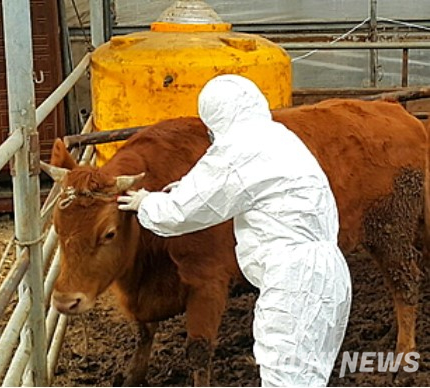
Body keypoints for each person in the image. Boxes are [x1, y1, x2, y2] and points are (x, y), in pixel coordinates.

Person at [117, 74, 352, 386]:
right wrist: (182, 187)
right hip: (330, 274)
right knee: (310, 376)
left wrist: (146, 203)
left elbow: (181, 213)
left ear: (216, 117)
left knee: (285, 379)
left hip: (293, 282)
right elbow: (235, 187)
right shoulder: (279, 137)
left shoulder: (237, 148)